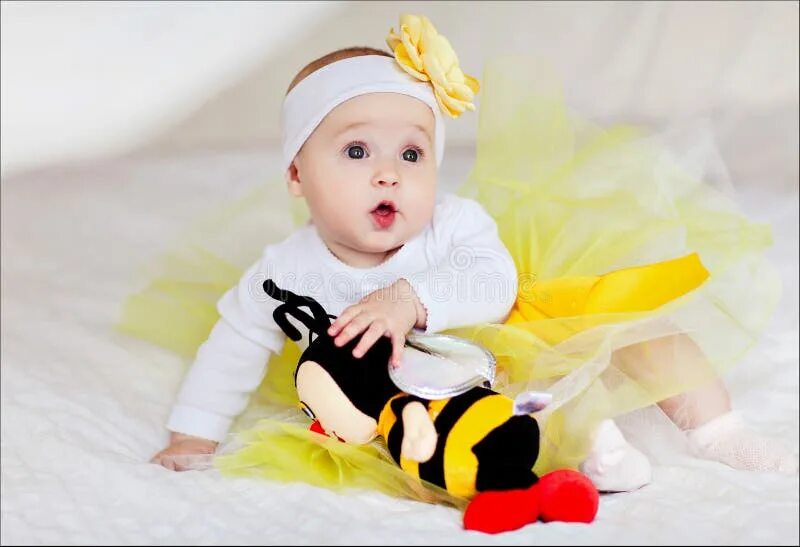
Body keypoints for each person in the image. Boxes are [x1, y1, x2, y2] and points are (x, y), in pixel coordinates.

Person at [130, 14, 796, 495]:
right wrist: (195, 432)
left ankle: (717, 429)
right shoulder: (283, 272)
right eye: (357, 151)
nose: (388, 172)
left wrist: (410, 299)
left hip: (508, 330)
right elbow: (233, 343)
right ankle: (588, 449)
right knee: (481, 428)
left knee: (637, 329)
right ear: (297, 176)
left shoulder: (453, 225)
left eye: (411, 153)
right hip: (439, 393)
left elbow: (493, 280)